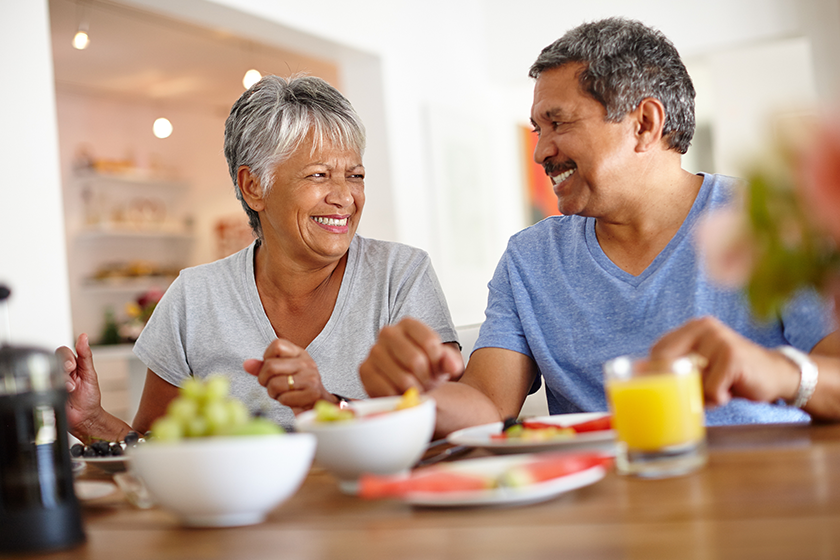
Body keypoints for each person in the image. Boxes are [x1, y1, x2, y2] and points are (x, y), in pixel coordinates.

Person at [359, 17, 839, 438]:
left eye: (558, 123)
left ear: (644, 124)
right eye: (538, 129)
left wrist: (781, 371)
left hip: (757, 497)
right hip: (597, 504)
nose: (541, 151)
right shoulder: (531, 260)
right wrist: (421, 396)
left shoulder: (773, 223)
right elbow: (487, 404)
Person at [59, 75, 458, 442]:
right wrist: (90, 421)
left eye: (355, 175)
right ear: (253, 187)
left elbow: (456, 425)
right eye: (319, 175)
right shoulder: (193, 297)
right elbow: (158, 451)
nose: (344, 197)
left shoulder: (400, 276)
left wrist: (327, 405)